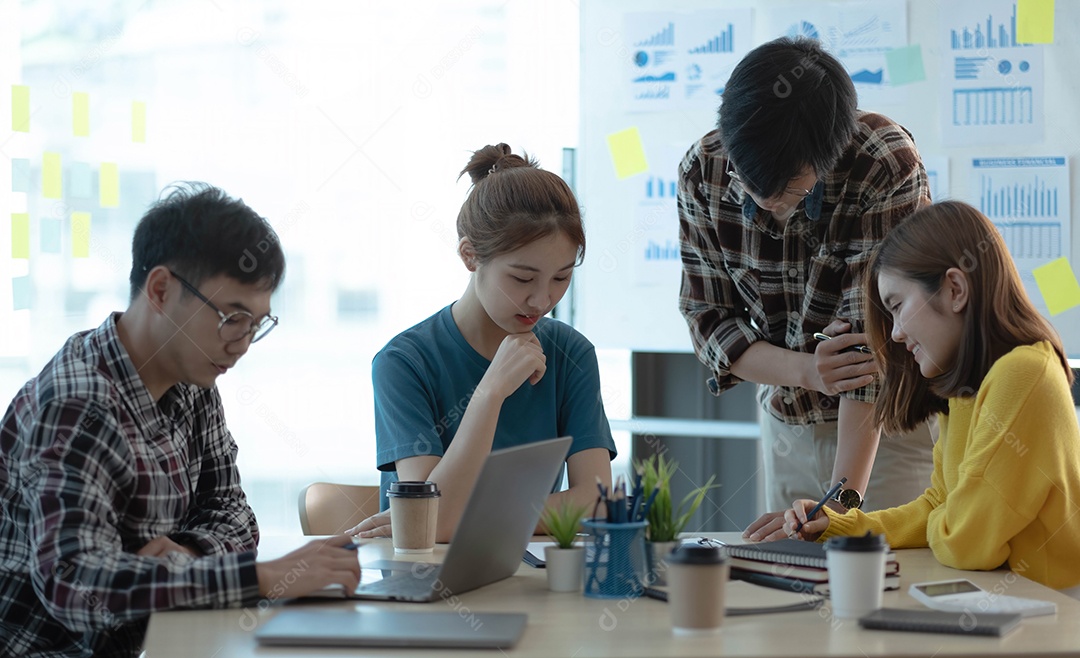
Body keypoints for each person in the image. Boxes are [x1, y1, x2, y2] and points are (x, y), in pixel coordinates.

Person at [0, 183, 360, 657]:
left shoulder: (194, 378)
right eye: (232, 317)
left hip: (155, 640)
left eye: (257, 323)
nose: (243, 343)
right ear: (161, 290)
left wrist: (189, 554)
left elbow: (233, 514)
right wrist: (261, 577)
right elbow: (76, 585)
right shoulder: (76, 404)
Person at [677, 36, 935, 538]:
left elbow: (868, 351)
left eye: (791, 188)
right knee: (788, 581)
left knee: (886, 589)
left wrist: (840, 502)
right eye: (752, 184)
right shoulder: (703, 171)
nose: (769, 202)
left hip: (889, 424)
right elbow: (708, 321)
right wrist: (807, 371)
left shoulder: (882, 163)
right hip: (787, 422)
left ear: (829, 153)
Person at [782, 201, 1080, 591]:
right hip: (1009, 602)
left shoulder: (1023, 373)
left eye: (898, 306)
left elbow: (965, 542)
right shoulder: (966, 387)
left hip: (1052, 615)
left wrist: (946, 519)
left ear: (955, 290)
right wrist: (843, 526)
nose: (895, 334)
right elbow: (941, 505)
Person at [349, 144, 616, 542]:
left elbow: (598, 502)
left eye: (561, 278)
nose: (542, 300)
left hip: (528, 579)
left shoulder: (571, 353)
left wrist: (472, 516)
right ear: (470, 255)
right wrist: (490, 393)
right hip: (426, 584)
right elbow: (432, 523)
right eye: (523, 279)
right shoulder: (403, 362)